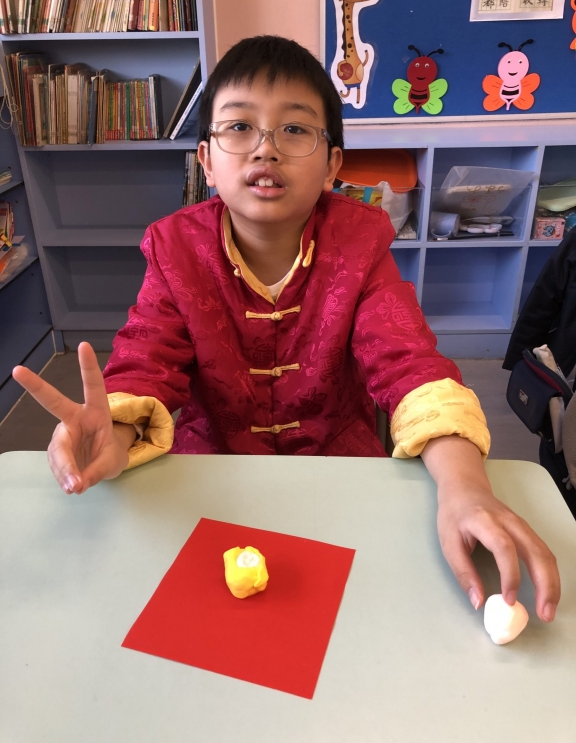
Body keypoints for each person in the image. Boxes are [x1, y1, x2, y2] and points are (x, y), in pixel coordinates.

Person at [13, 36, 560, 623]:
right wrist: (115, 431)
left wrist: (466, 486)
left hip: (339, 467)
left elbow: (409, 363)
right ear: (206, 161)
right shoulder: (176, 250)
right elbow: (148, 361)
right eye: (239, 127)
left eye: (295, 129)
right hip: (208, 472)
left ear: (332, 165)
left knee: (363, 614)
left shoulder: (360, 243)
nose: (265, 149)